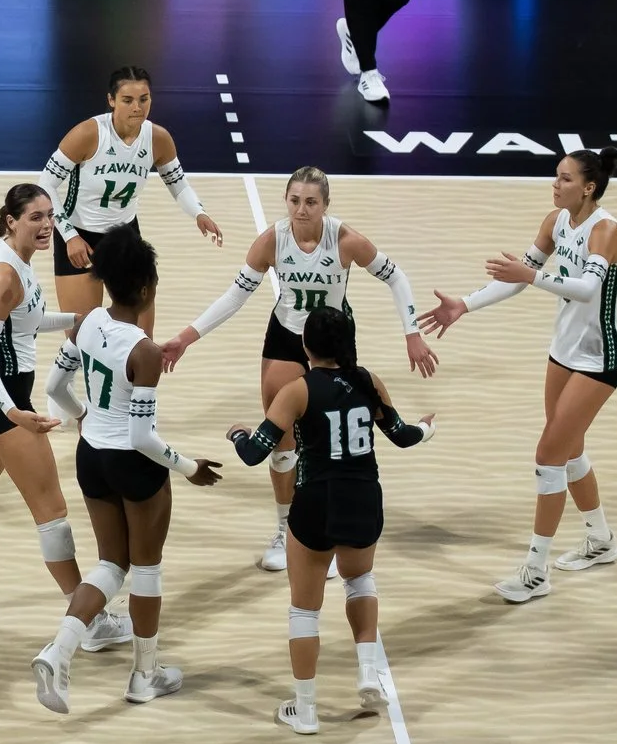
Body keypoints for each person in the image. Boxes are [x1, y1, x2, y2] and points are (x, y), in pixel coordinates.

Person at [162, 165, 433, 571]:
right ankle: (286, 528)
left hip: (334, 338)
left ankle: (335, 517)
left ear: (325, 204)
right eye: (294, 201)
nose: (301, 210)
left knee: (329, 433)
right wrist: (186, 337)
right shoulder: (272, 240)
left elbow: (398, 278)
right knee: (280, 433)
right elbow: (234, 298)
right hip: (287, 336)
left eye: (310, 202)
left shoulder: (346, 241)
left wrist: (412, 332)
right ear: (286, 200)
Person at [0, 183, 133, 652]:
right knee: (51, 512)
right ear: (11, 221)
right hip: (2, 401)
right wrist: (15, 411)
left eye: (50, 216)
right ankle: (87, 622)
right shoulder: (1, 277)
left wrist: (78, 319)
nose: (46, 226)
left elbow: (28, 321)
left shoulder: (16, 262)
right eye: (35, 217)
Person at [419, 148, 617, 603]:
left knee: (548, 454)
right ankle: (601, 540)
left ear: (589, 187)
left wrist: (532, 277)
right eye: (556, 177)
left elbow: (586, 288)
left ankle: (536, 571)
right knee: (568, 450)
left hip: (599, 359)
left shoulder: (607, 231)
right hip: (562, 353)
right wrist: (464, 303)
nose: (555, 185)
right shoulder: (556, 222)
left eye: (564, 179)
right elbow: (518, 277)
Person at [30, 231, 222, 713]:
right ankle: (144, 675)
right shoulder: (145, 352)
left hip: (91, 456)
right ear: (145, 289)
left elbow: (54, 386)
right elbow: (142, 439)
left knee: (112, 565)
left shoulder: (88, 322)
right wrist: (189, 467)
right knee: (148, 568)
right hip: (134, 464)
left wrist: (82, 417)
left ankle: (59, 652)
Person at [227, 305, 435, 731]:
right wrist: (427, 428)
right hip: (364, 497)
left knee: (304, 610)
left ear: (305, 347)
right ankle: (366, 671)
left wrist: (237, 434)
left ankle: (305, 711)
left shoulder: (297, 390)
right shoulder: (368, 381)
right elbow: (402, 435)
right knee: (359, 581)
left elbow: (253, 454)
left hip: (316, 501)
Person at [34, 64, 221, 330]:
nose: (137, 107)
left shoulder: (158, 138)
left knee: (140, 336)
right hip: (80, 236)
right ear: (111, 100)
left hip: (125, 236)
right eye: (128, 100)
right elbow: (46, 185)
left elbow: (178, 185)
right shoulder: (88, 134)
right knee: (81, 337)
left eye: (144, 99)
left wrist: (199, 213)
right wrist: (69, 235)